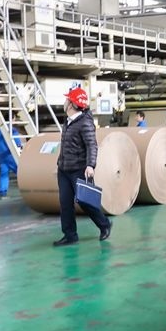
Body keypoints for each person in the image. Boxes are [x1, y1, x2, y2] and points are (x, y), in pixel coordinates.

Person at [54, 87, 112, 246]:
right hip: (64, 170)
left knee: (85, 202)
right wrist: (60, 163)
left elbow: (92, 145)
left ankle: (104, 224)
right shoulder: (68, 121)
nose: (64, 102)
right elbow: (66, 145)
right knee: (65, 203)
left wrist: (90, 165)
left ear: (71, 104)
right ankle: (70, 235)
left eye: (67, 100)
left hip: (79, 169)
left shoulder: (84, 123)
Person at [0, 124, 21, 198]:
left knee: (4, 174)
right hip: (11, 155)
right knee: (20, 172)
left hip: (1, 156)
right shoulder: (12, 130)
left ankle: (2, 191)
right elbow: (17, 143)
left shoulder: (0, 130)